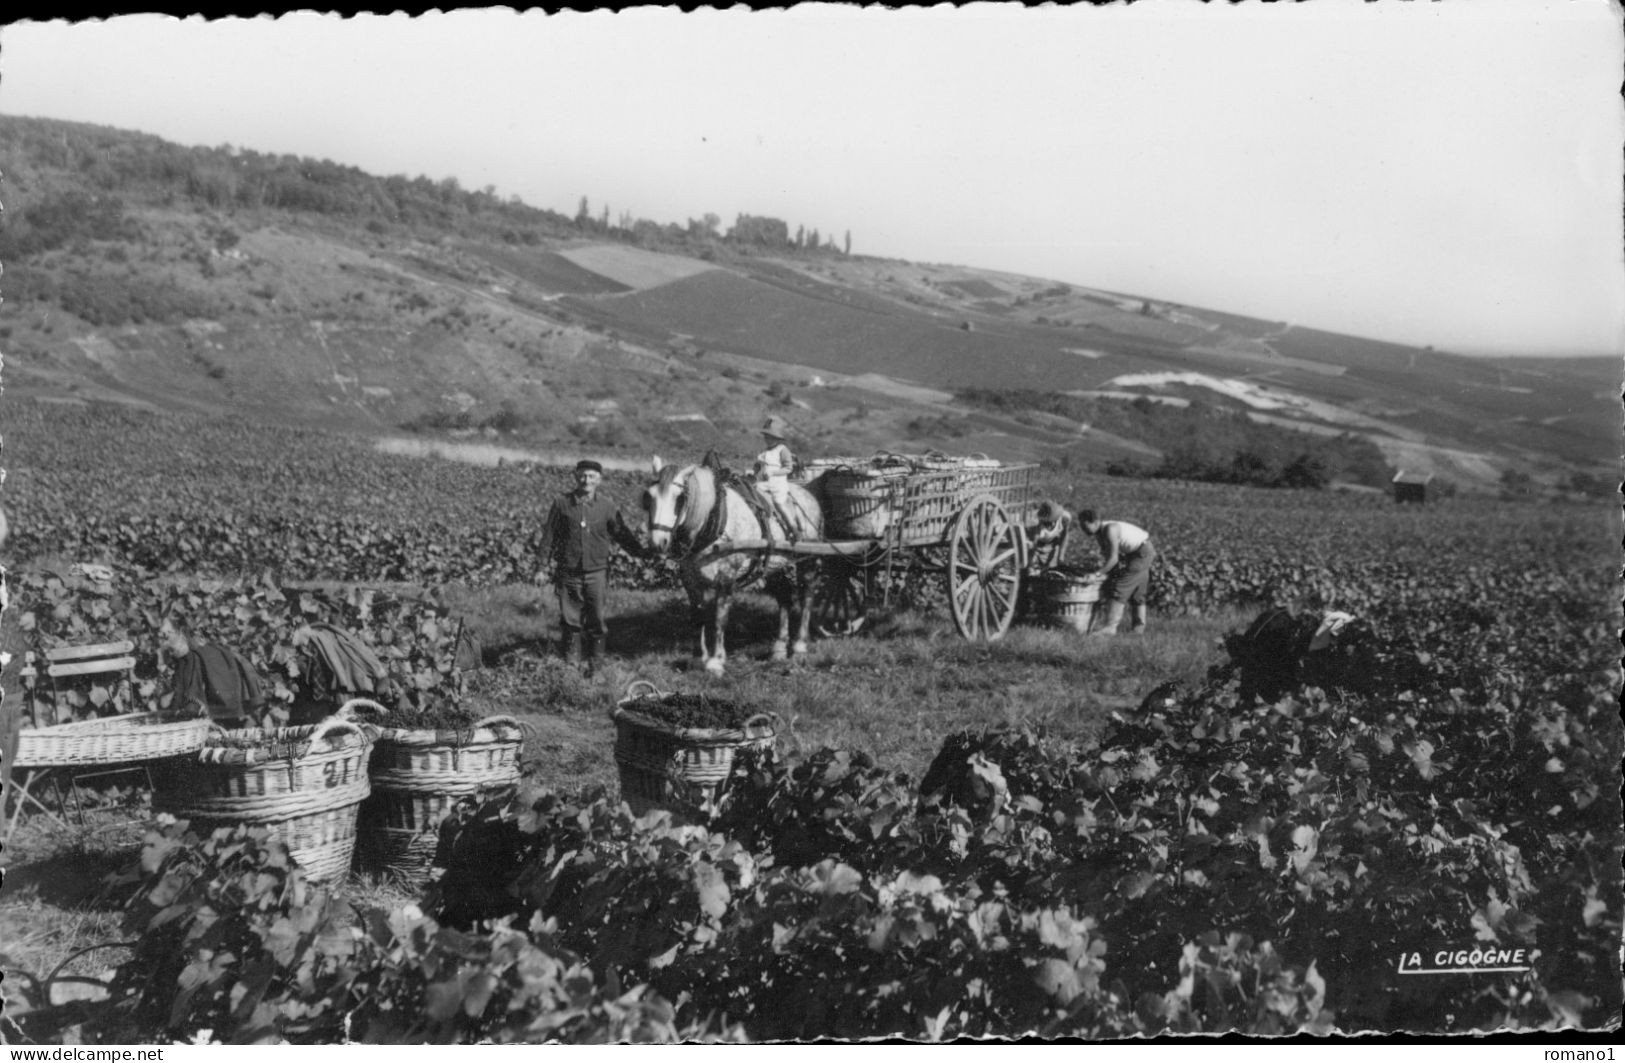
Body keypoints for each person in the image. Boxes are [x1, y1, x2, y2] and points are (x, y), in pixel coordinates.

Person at [542, 459, 645, 674]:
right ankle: (571, 665)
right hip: (568, 571)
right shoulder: (562, 503)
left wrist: (642, 552)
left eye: (591, 476)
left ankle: (596, 665)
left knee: (596, 619)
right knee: (570, 620)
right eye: (582, 475)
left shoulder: (606, 506)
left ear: (599, 480)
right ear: (575, 476)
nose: (586, 480)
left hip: (596, 573)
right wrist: (541, 565)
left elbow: (621, 533)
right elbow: (549, 536)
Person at [1078, 508, 1156, 635]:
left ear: (1095, 521)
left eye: (1085, 525)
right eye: (1081, 526)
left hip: (1142, 552)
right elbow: (1110, 559)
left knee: (1120, 588)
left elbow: (1114, 559)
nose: (1083, 529)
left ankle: (1109, 628)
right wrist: (1106, 577)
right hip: (1137, 552)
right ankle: (1138, 629)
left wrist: (1097, 574)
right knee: (1137, 593)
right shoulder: (1100, 534)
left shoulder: (1110, 529)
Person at [753, 415, 800, 542]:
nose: (767, 440)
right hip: (763, 482)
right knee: (753, 492)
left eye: (771, 437)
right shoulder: (764, 452)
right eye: (766, 437)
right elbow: (759, 466)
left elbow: (788, 468)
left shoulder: (782, 450)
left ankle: (793, 528)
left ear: (777, 438)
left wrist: (773, 472)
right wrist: (756, 469)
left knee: (779, 503)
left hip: (777, 483)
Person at [1026, 500, 1073, 571]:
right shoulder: (1036, 524)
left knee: (1051, 570)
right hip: (1037, 546)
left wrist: (1061, 556)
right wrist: (1030, 563)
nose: (1052, 524)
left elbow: (1065, 535)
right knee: (1031, 570)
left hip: (1052, 545)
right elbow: (1033, 545)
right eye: (1048, 523)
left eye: (1054, 521)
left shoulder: (1065, 518)